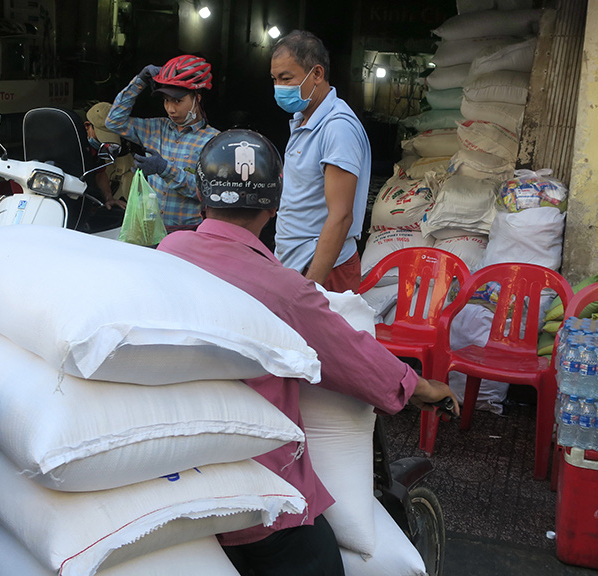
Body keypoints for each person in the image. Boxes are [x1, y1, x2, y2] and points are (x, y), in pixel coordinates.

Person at [157, 129, 459, 576]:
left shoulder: (168, 252)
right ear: (273, 206)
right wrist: (419, 387)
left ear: (202, 197)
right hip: (263, 503)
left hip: (177, 473)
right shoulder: (284, 290)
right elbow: (352, 356)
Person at [270, 31, 371, 293]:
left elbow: (341, 216)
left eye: (286, 78)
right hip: (296, 265)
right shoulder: (302, 120)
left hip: (324, 271)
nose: (279, 87)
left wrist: (310, 287)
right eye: (274, 79)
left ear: (316, 74)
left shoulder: (337, 128)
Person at [105, 54, 220, 231]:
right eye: (166, 100)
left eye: (178, 101)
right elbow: (114, 121)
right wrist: (139, 81)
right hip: (150, 229)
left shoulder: (213, 141)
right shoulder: (156, 127)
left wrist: (165, 169)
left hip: (188, 232)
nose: (170, 109)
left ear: (197, 98)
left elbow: (207, 191)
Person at [84, 101, 129, 210]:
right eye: (100, 136)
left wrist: (109, 198)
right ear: (87, 126)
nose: (103, 142)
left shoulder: (98, 149)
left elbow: (100, 174)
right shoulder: (72, 143)